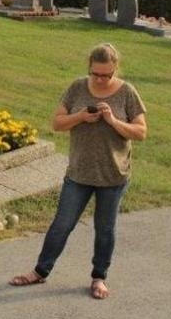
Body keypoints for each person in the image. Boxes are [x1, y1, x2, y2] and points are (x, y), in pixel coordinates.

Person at [10, 43, 147, 299]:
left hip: (112, 175)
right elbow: (57, 123)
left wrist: (113, 121)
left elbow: (141, 132)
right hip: (79, 174)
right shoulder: (77, 87)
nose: (100, 79)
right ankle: (40, 271)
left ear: (115, 69)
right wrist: (81, 117)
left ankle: (99, 278)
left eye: (106, 75)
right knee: (62, 224)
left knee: (104, 229)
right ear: (89, 68)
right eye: (96, 74)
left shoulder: (127, 92)